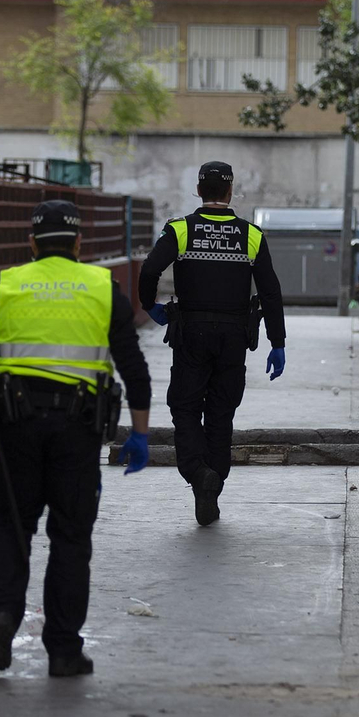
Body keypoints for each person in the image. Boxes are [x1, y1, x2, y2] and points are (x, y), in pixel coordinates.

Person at [0, 199, 152, 678]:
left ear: (31, 243)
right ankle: (63, 650)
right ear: (79, 243)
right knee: (70, 537)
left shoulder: (6, 285)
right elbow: (135, 369)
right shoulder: (103, 287)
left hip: (14, 427)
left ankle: (3, 614)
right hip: (78, 431)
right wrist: (140, 435)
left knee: (10, 526)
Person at [138, 161, 286, 527]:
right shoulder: (251, 235)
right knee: (221, 414)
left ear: (200, 191)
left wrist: (150, 306)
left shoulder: (180, 229)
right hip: (234, 339)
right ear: (230, 191)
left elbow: (149, 269)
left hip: (191, 335)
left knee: (185, 408)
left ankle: (197, 472)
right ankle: (213, 480)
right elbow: (270, 291)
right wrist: (277, 342)